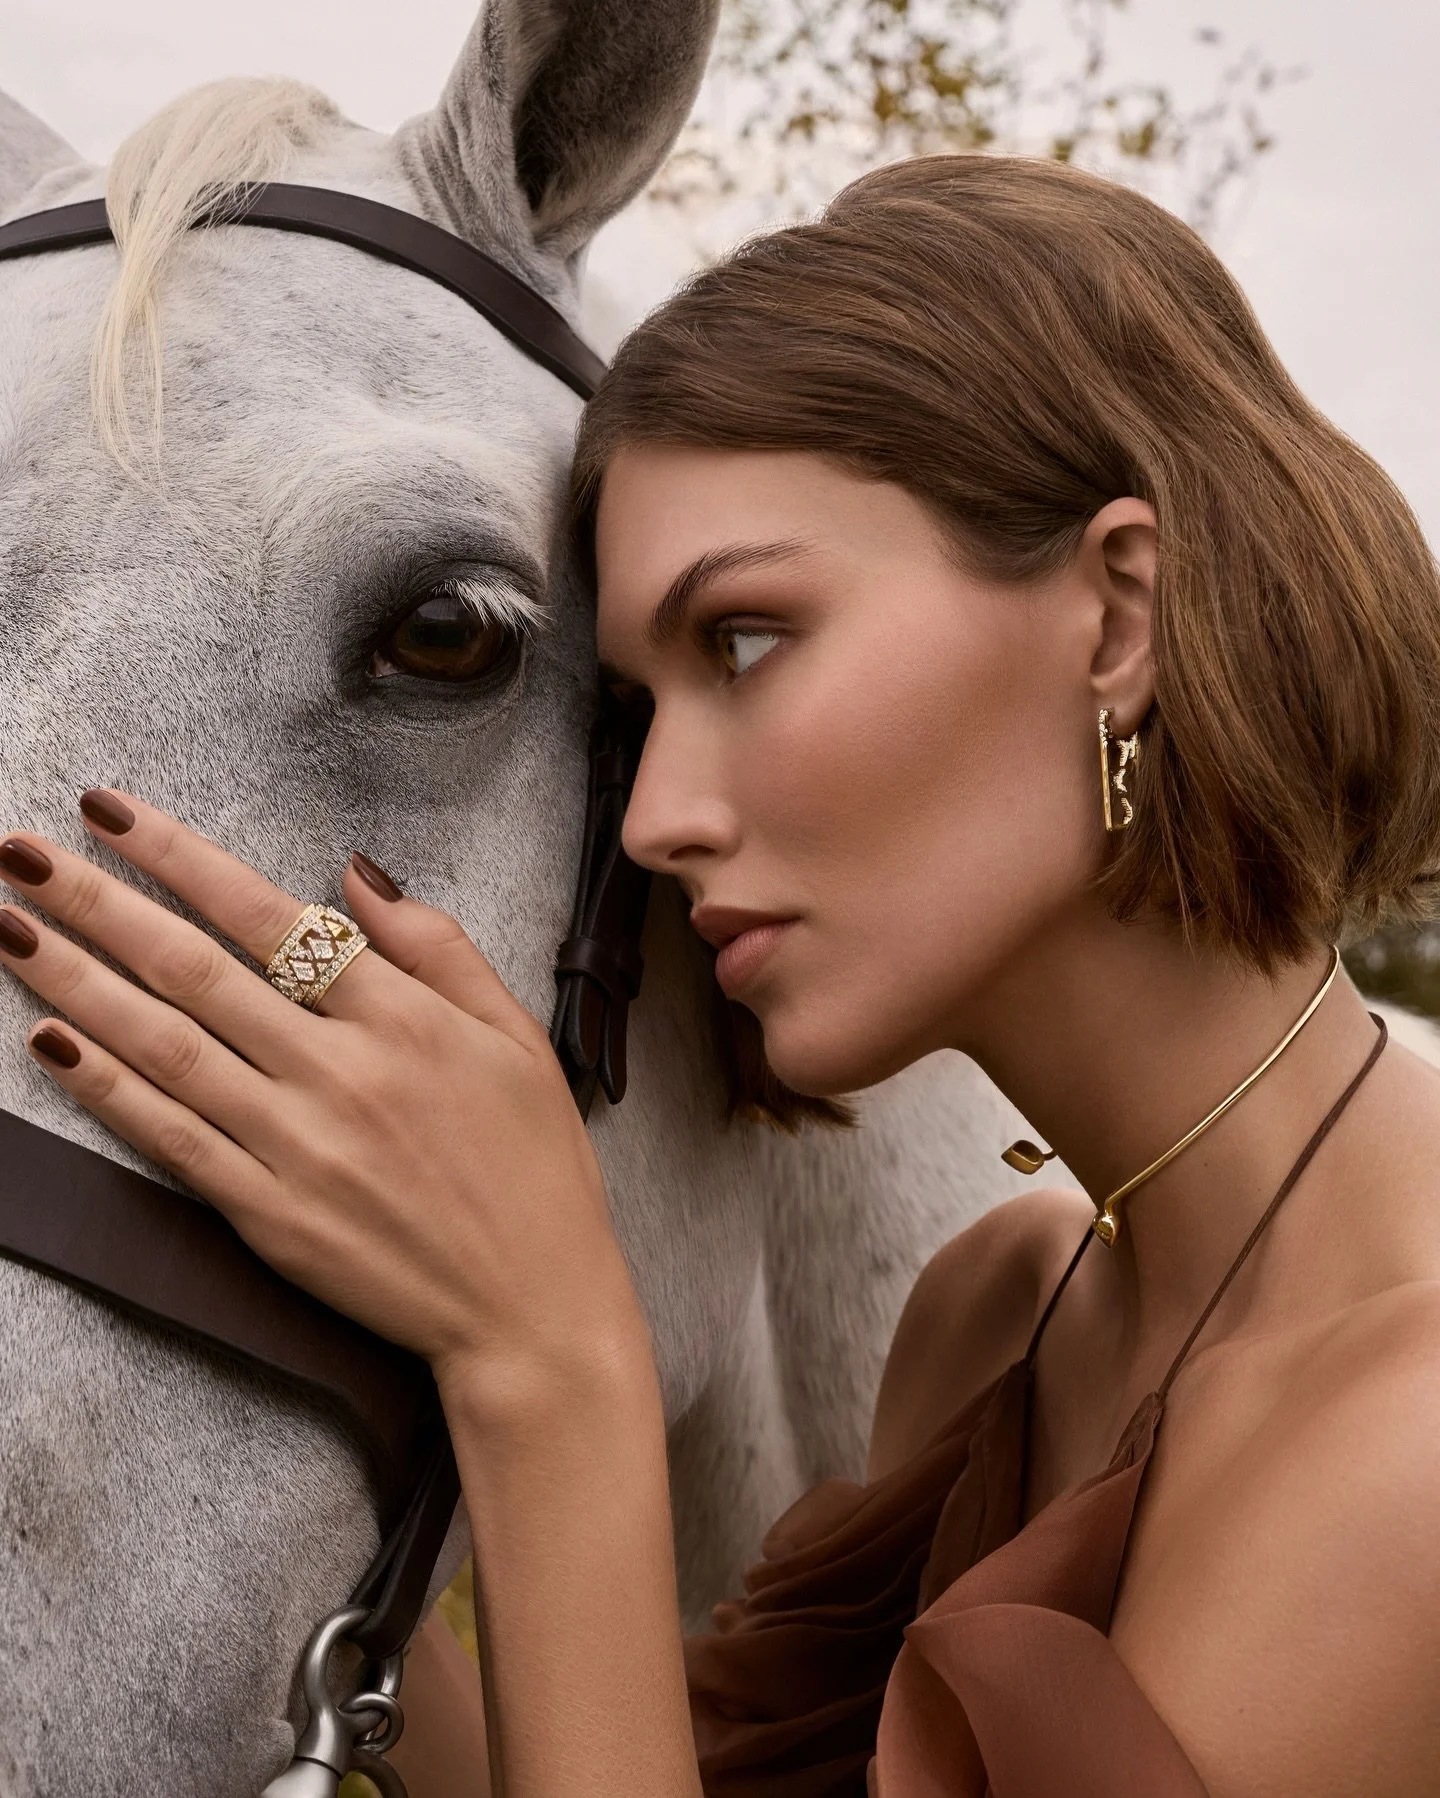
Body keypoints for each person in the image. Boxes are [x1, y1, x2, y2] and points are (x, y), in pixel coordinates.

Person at [1, 153, 1439, 1797]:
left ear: (1118, 615)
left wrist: (548, 1363)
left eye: (745, 641)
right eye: (637, 711)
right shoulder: (998, 1308)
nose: (666, 818)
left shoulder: (1413, 1445)